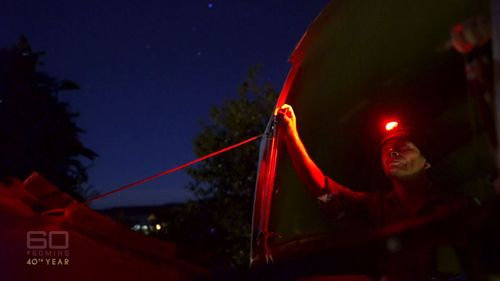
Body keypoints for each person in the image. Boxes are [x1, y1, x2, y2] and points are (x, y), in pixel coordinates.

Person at [276, 104, 484, 281]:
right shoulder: (376, 207)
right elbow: (323, 188)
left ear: (426, 163)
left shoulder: (457, 206)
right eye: (388, 150)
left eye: (404, 147)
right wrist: (290, 133)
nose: (393, 152)